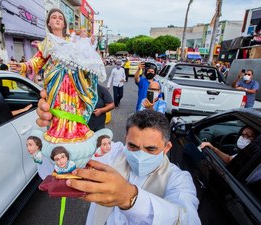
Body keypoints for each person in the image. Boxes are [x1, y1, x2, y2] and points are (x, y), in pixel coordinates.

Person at [36, 102, 201, 224]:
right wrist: (57, 133)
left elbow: (187, 218)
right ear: (125, 140)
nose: (140, 155)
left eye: (151, 149)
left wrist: (129, 198)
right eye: (133, 146)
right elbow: (56, 167)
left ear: (167, 148)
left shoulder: (178, 179)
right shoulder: (111, 154)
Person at [10, 8, 106, 144]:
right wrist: (24, 66)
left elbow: (82, 59)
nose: (57, 19)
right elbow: (38, 60)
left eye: (60, 18)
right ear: (49, 23)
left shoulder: (72, 43)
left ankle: (76, 130)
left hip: (73, 81)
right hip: (57, 82)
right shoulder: (48, 42)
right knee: (58, 105)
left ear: (64, 24)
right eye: (54, 17)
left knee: (74, 106)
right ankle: (59, 131)